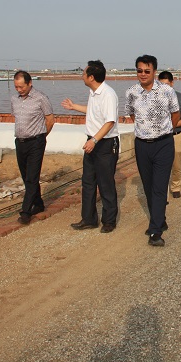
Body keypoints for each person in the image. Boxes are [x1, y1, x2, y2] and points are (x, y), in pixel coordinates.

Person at [121, 55, 180, 247]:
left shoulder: (167, 91)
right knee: (148, 186)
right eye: (139, 70)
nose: (143, 74)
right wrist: (144, 128)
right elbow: (132, 114)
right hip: (142, 145)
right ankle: (159, 219)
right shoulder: (131, 92)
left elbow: (175, 114)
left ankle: (155, 231)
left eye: (147, 71)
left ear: (154, 71)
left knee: (159, 187)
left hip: (164, 145)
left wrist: (164, 131)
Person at [61, 61, 120, 233]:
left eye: (84, 73)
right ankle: (88, 219)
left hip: (105, 144)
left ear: (91, 77)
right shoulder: (93, 92)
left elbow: (110, 122)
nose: (82, 76)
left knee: (105, 183)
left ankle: (109, 221)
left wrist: (94, 140)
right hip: (92, 141)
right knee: (88, 182)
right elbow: (93, 111)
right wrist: (73, 107)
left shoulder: (108, 94)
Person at [11, 70, 55, 225]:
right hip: (20, 142)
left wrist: (41, 137)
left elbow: (50, 120)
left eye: (21, 87)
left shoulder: (41, 98)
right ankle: (38, 203)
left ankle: (25, 212)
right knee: (26, 176)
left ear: (30, 83)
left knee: (32, 177)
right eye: (16, 87)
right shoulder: (14, 99)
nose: (19, 90)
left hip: (36, 142)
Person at [157, 71, 181, 199]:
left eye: (166, 84)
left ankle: (176, 187)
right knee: (160, 165)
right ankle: (161, 191)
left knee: (176, 164)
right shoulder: (154, 99)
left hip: (176, 135)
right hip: (160, 137)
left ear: (172, 83)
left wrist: (172, 125)